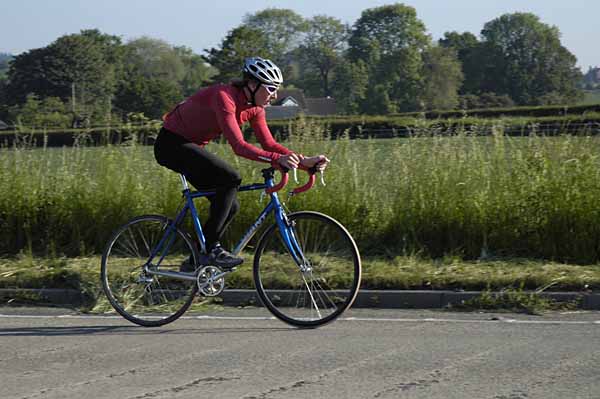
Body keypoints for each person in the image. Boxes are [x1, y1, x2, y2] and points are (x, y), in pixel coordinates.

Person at [154, 57, 329, 271]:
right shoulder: (224, 97)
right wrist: (277, 161)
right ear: (252, 85)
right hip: (171, 144)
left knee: (230, 204)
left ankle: (196, 260)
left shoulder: (255, 108)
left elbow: (269, 143)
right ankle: (211, 250)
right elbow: (239, 146)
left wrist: (304, 162)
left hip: (192, 147)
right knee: (231, 179)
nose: (275, 96)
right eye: (271, 89)